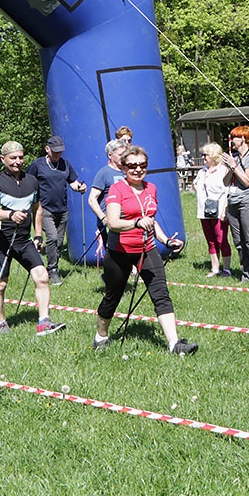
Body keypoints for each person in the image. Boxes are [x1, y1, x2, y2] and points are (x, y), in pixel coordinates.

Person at [93, 145, 197, 355]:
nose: (138, 169)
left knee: (161, 294)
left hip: (146, 249)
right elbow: (112, 222)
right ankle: (101, 335)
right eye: (132, 165)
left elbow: (151, 221)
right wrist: (136, 223)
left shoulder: (151, 188)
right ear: (123, 167)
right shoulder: (116, 190)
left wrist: (167, 241)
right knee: (113, 296)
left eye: (142, 165)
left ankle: (174, 344)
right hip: (119, 251)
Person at [0, 141, 66, 336]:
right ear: (3, 160)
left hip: (23, 240)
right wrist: (10, 215)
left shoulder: (32, 181)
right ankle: (1, 322)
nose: (17, 161)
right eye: (13, 158)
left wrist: (38, 234)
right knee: (1, 284)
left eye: (20, 157)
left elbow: (37, 209)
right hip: (0, 242)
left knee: (42, 276)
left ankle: (44, 321)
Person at [26, 135, 87, 285]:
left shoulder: (65, 164)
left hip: (62, 209)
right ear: (47, 149)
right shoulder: (37, 165)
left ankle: (51, 266)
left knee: (58, 242)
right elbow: (28, 182)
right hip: (44, 209)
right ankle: (52, 270)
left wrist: (80, 187)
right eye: (55, 151)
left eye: (60, 151)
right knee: (52, 238)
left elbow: (72, 181)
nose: (58, 154)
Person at [220, 125, 249, 286]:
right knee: (239, 243)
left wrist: (234, 166)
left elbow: (247, 181)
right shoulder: (233, 157)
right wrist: (230, 167)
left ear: (243, 139)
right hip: (233, 202)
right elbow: (225, 182)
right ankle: (246, 276)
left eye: (234, 137)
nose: (231, 140)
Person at [193, 142, 232, 277]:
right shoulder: (201, 171)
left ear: (214, 156)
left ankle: (227, 268)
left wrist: (224, 211)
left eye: (206, 155)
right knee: (210, 240)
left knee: (221, 240)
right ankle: (215, 268)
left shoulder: (223, 171)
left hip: (219, 211)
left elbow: (227, 192)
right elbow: (195, 185)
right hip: (204, 211)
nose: (203, 157)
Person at [88, 139, 127, 245]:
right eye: (120, 154)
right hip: (110, 223)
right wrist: (103, 218)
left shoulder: (128, 172)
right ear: (110, 155)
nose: (123, 157)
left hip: (127, 221)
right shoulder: (104, 173)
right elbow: (92, 199)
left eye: (125, 154)